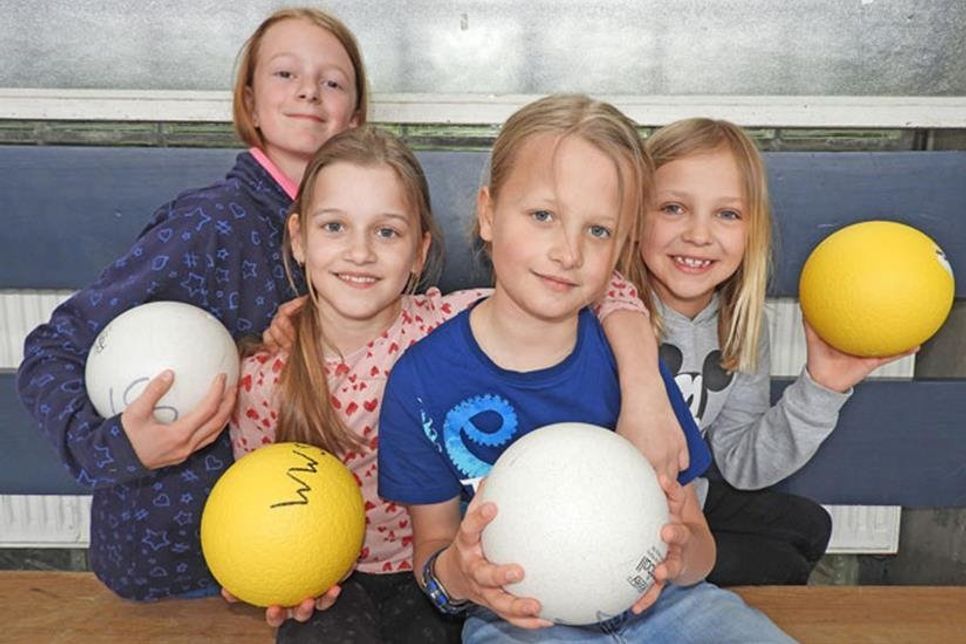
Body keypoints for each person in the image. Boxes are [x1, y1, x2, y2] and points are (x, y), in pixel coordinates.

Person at [231, 121, 694, 641]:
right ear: (298, 238)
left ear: (419, 251)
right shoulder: (265, 377)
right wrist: (257, 568)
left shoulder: (448, 322)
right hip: (335, 578)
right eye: (334, 227)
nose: (359, 252)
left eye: (386, 231)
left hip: (439, 567)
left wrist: (644, 388)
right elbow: (255, 504)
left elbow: (607, 292)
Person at [377, 95, 792, 642]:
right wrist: (464, 575)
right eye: (543, 216)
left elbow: (699, 544)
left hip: (667, 608)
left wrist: (679, 554)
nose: (568, 252)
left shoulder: (632, 369)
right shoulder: (420, 383)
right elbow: (433, 556)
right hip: (518, 622)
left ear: (621, 245)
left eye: (597, 231)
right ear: (487, 213)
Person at [15, 7, 367, 602]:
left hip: (294, 561)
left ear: (354, 118)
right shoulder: (207, 224)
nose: (310, 89)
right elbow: (51, 352)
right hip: (175, 568)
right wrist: (122, 448)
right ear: (249, 103)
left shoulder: (365, 242)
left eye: (332, 81)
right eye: (286, 74)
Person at [627, 117, 914, 585]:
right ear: (636, 218)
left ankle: (674, 589)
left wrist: (822, 387)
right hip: (612, 513)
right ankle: (649, 591)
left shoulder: (739, 324)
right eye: (674, 207)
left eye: (728, 214)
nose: (700, 234)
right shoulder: (614, 311)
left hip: (685, 504)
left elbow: (742, 464)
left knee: (806, 527)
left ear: (752, 230)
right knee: (776, 564)